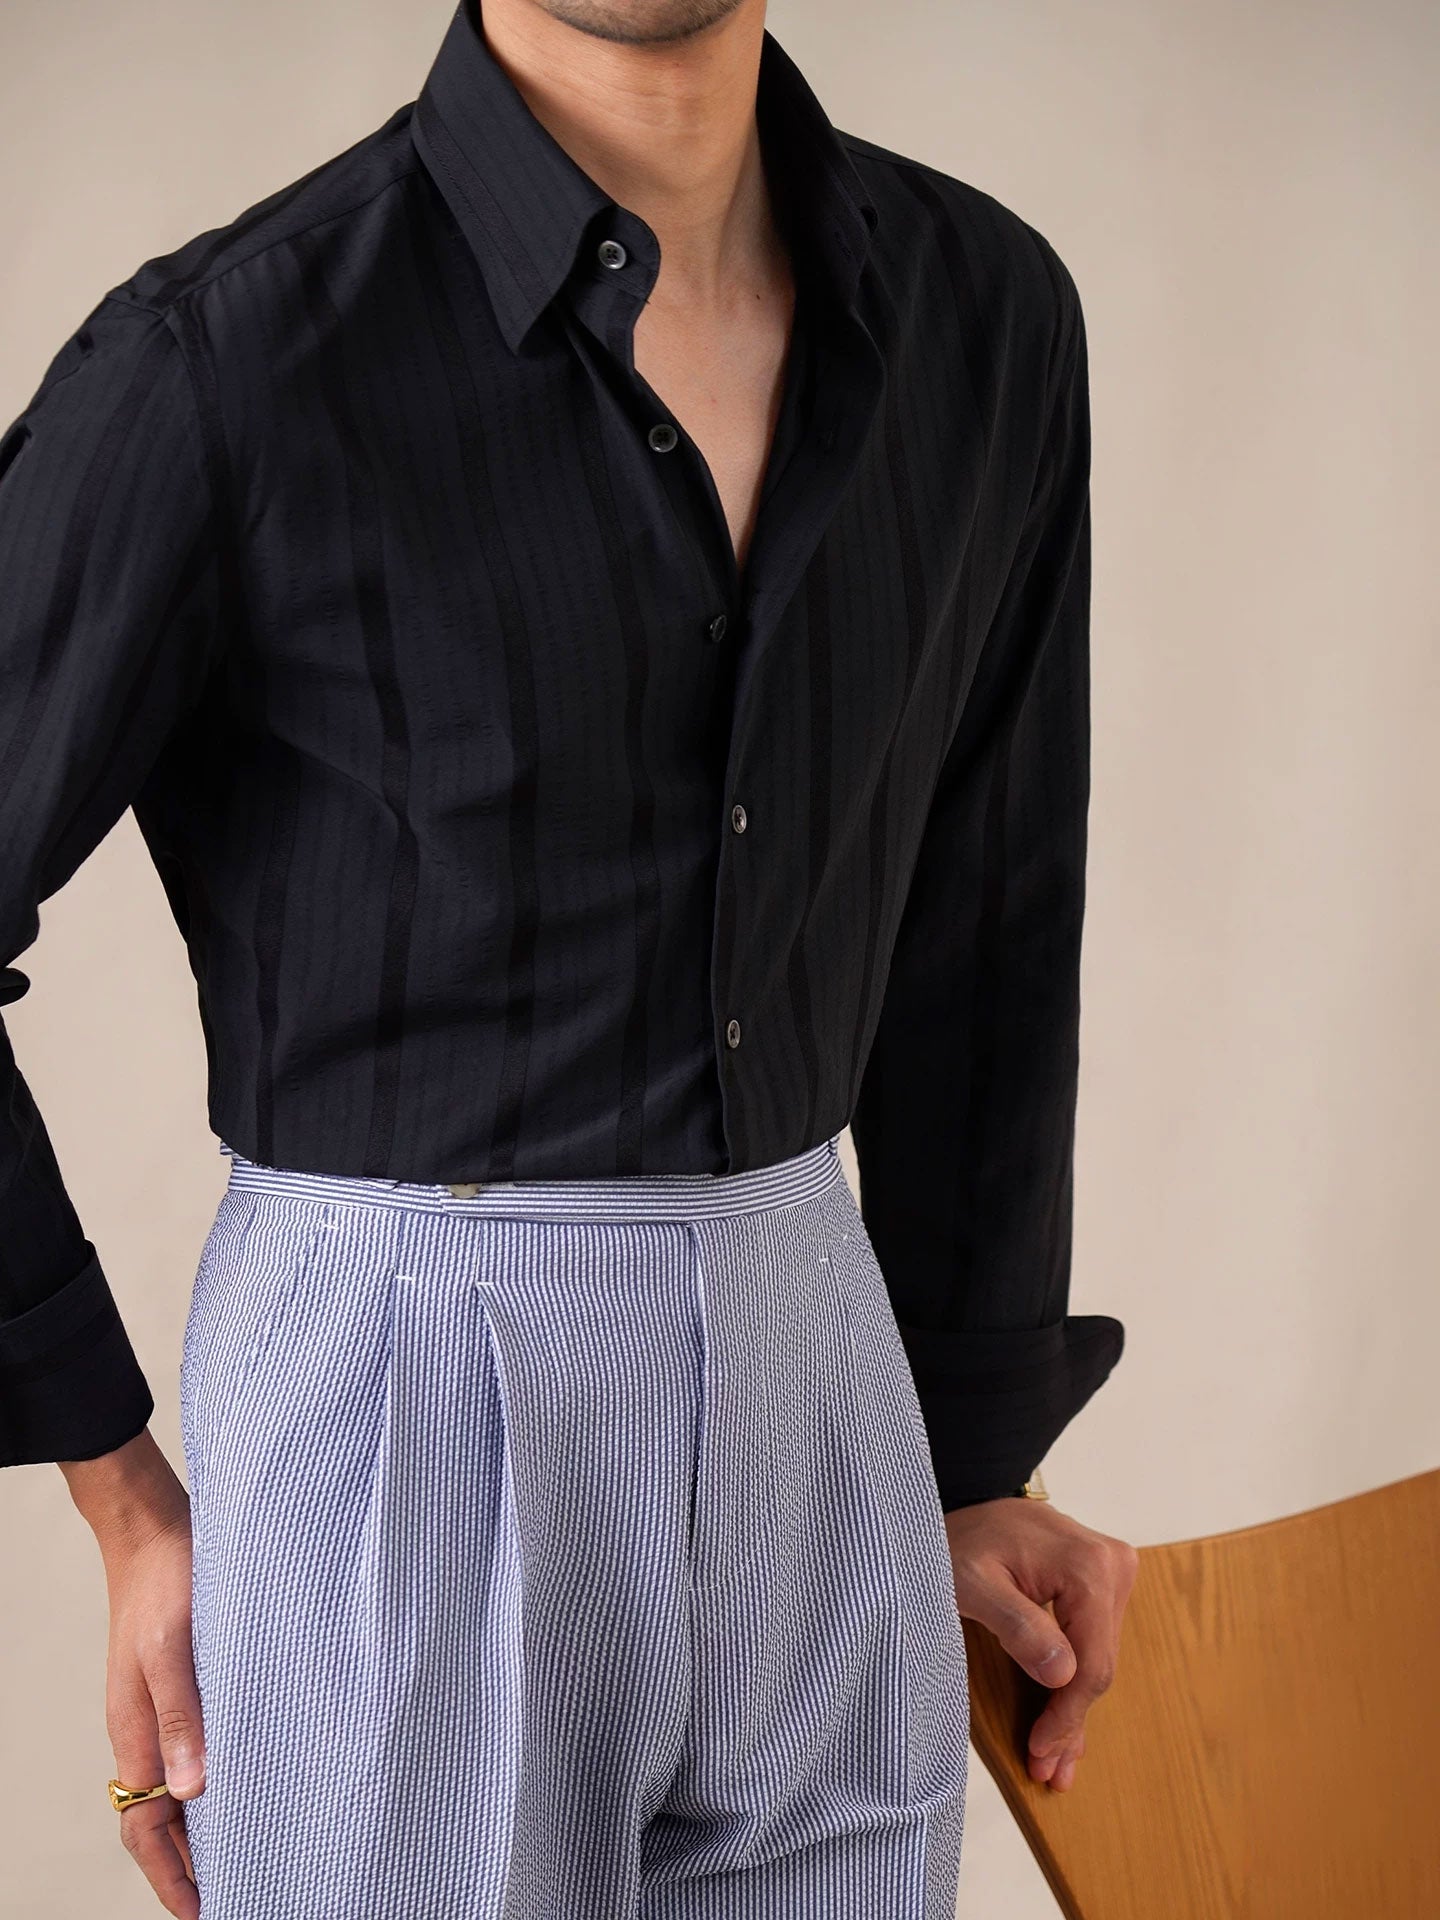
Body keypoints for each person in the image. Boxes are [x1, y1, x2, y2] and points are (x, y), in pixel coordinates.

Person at [0, 0, 1138, 1913]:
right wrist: (125, 1501)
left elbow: (989, 918)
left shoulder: (988, 313)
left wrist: (971, 1459)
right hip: (400, 1396)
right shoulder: (231, 358)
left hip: (817, 1374)